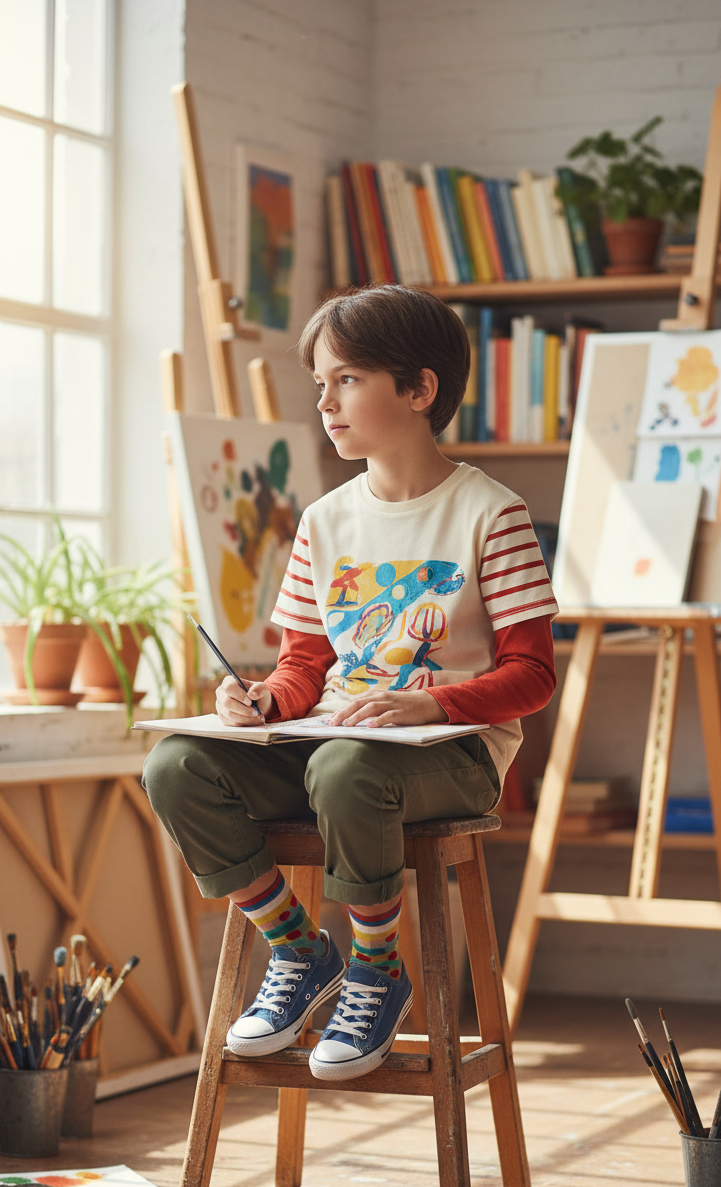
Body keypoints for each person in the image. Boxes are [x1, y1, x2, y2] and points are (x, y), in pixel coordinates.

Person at [143, 284, 557, 1082]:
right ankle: (299, 951)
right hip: (338, 749)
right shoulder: (324, 521)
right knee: (176, 765)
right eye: (320, 384)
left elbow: (532, 676)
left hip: (453, 757)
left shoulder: (491, 515)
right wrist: (264, 699)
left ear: (419, 389)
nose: (324, 401)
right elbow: (306, 664)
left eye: (346, 381)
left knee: (344, 768)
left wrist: (429, 702)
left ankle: (377, 967)